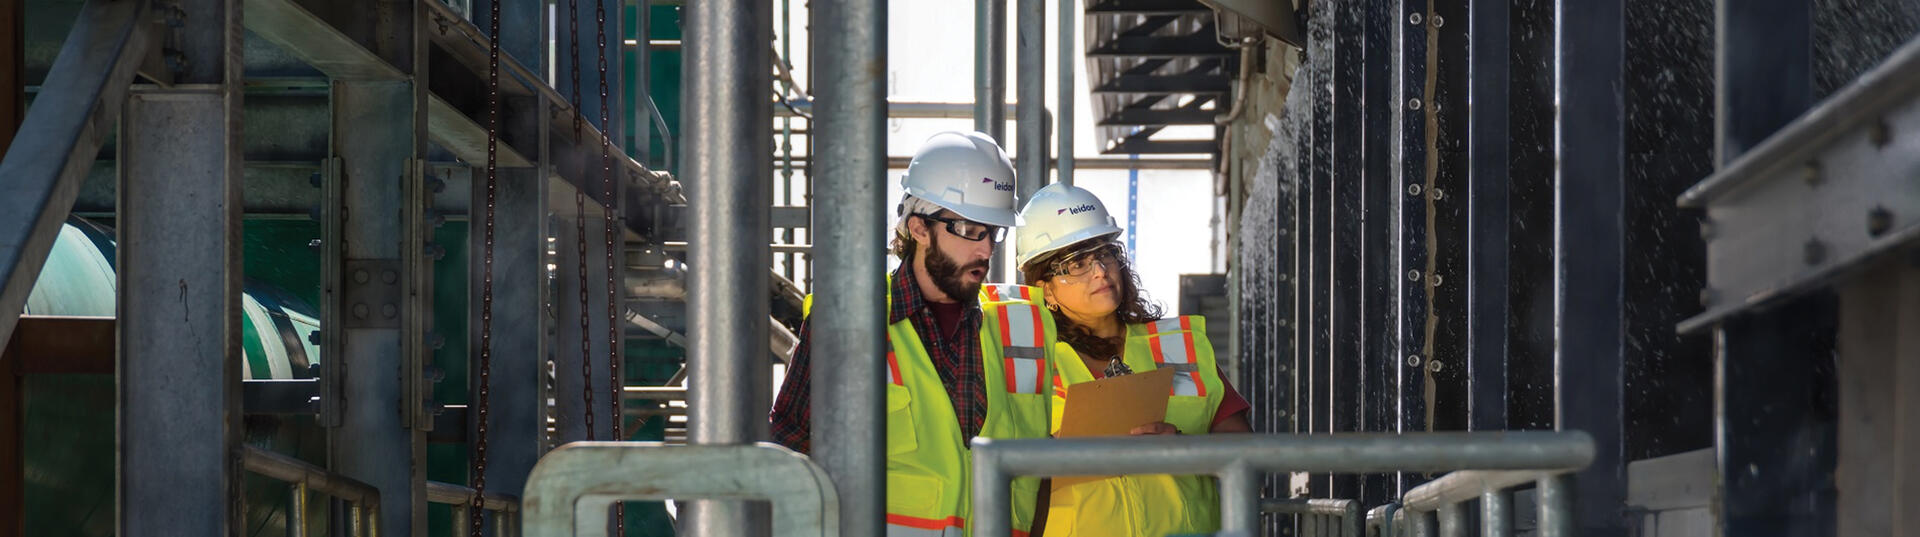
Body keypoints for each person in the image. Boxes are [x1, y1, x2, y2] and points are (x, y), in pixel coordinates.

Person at [772, 131, 1059, 537]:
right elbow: (789, 442)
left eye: (993, 232)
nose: (986, 250)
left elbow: (1052, 450)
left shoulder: (1020, 325)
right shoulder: (849, 320)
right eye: (970, 229)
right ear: (919, 227)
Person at [1014, 183, 1253, 537]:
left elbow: (1251, 455)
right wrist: (1057, 456)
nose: (1100, 270)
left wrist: (1185, 447)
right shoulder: (1026, 363)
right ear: (1045, 288)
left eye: (1105, 253)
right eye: (1077, 263)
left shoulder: (1179, 347)